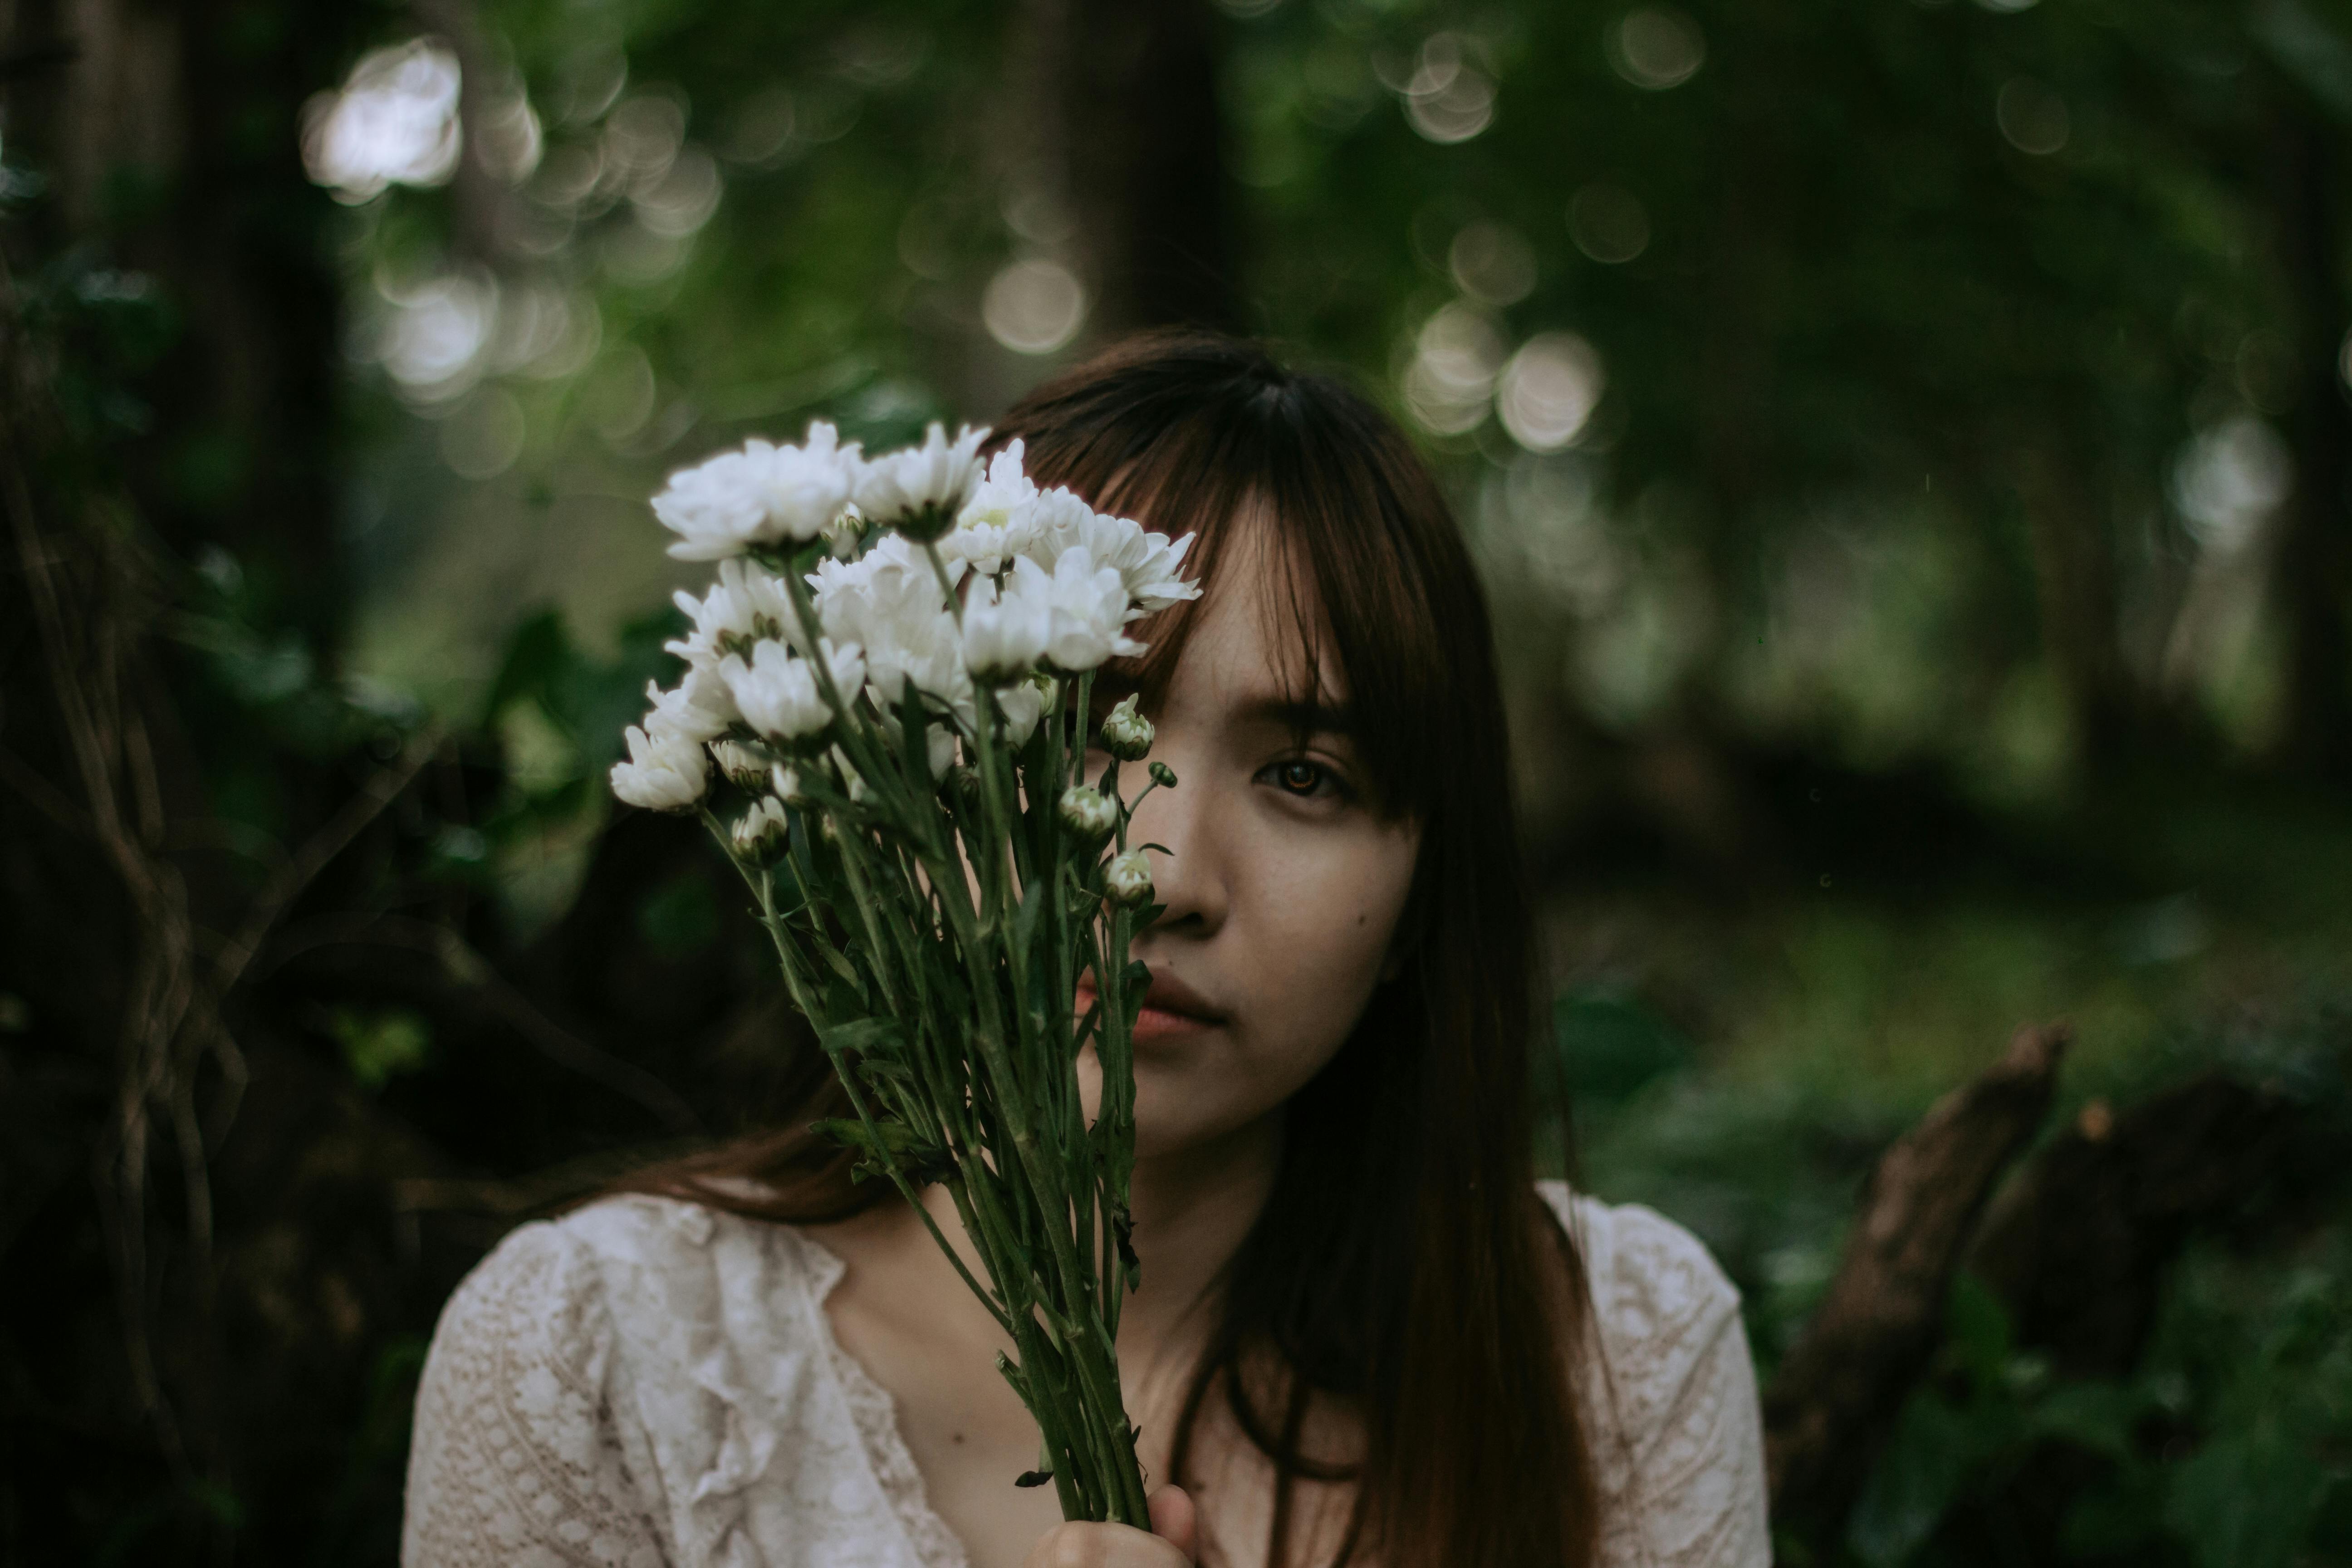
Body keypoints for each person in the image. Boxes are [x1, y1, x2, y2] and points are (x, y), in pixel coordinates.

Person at [399, 331, 1770, 1568]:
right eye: (1070, 724)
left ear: (1421, 901)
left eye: (1303, 776)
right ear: (895, 772)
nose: (1157, 874)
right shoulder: (597, 1366)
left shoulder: (1613, 1354)